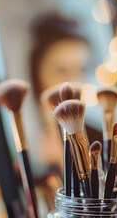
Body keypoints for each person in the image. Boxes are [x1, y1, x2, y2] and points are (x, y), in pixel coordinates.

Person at [28, 13, 91, 174]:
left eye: (81, 70)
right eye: (61, 71)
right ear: (37, 74)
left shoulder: (98, 135)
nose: (73, 82)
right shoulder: (33, 144)